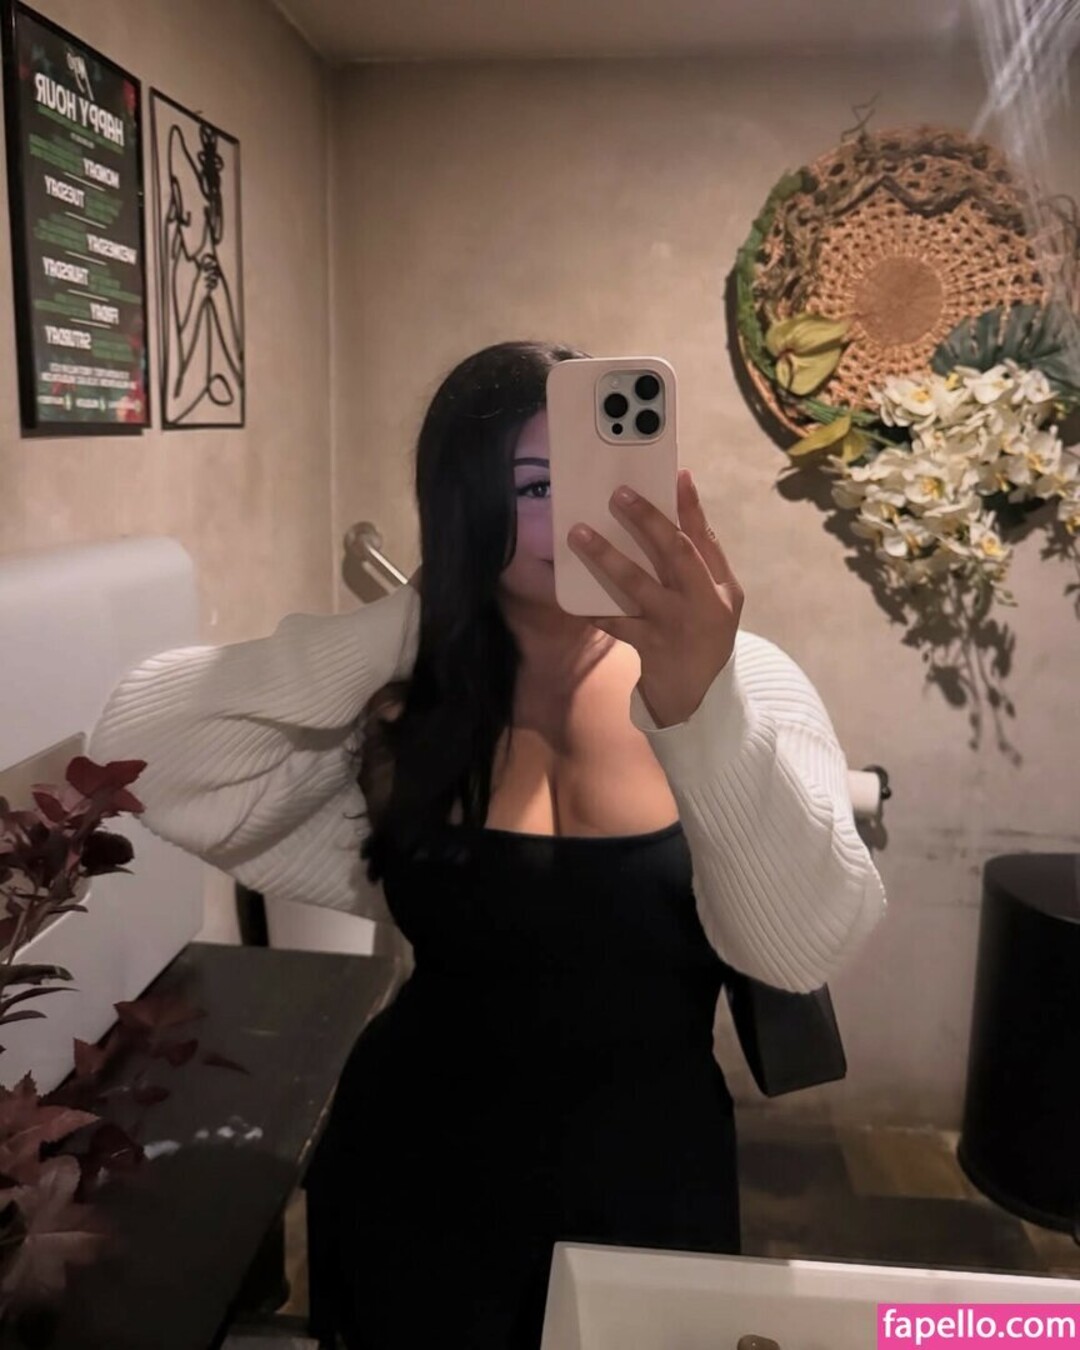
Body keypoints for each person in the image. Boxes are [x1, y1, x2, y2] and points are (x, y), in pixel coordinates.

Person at [90, 340, 886, 1349]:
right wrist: (418, 620)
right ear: (464, 504)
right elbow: (137, 752)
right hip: (413, 1168)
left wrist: (705, 710)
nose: (573, 519)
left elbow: (800, 949)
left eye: (590, 478)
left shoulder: (745, 679)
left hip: (646, 1173)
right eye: (533, 486)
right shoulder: (403, 702)